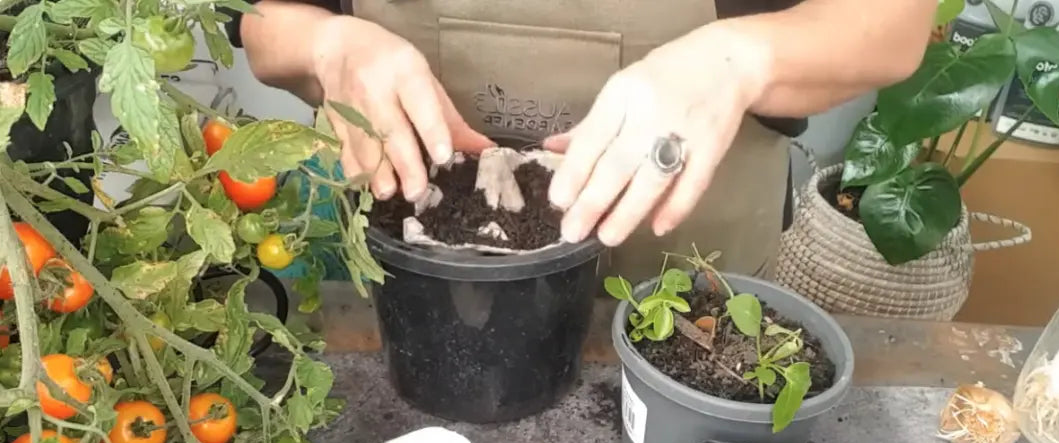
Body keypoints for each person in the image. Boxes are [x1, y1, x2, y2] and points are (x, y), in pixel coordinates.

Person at [226, 0, 936, 281]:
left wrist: (742, 59)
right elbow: (258, 22)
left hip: (672, 311)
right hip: (403, 303)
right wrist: (325, 42)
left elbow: (891, 28)